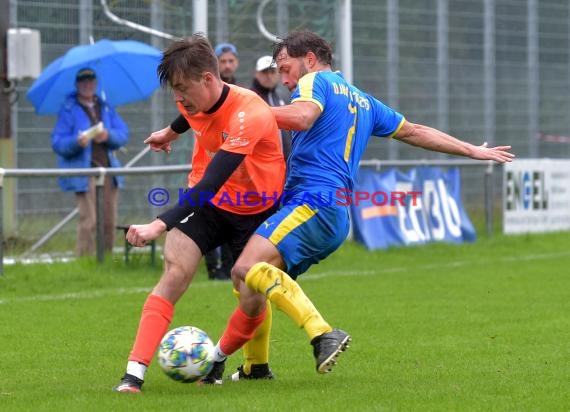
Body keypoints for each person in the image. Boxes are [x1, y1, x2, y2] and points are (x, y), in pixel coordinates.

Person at [143, 30, 514, 382]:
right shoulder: (364, 100)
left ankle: (322, 335)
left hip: (313, 201)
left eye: (285, 68)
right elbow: (415, 131)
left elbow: (303, 117)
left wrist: (243, 116)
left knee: (245, 267)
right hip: (334, 213)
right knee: (250, 283)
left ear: (310, 59)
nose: (285, 80)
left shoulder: (314, 82)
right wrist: (472, 150)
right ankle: (246, 366)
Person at [113, 34, 285, 393]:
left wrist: (158, 225)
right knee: (176, 270)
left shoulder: (249, 112)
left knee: (251, 297)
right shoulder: (196, 103)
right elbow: (196, 115)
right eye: (173, 92)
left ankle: (218, 360)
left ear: (208, 79)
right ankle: (134, 374)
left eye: (182, 89)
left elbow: (211, 181)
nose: (179, 100)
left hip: (258, 211)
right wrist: (169, 130)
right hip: (211, 207)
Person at [51, 68, 129, 257]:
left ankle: (106, 259)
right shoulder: (68, 110)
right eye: (83, 81)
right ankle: (84, 259)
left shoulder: (106, 107)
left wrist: (108, 135)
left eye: (91, 80)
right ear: (77, 84)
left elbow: (123, 134)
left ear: (95, 83)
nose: (87, 84)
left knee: (109, 220)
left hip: (108, 171)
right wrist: (76, 142)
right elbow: (58, 143)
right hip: (85, 173)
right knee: (90, 220)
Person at [204, 42, 241, 280]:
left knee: (231, 213)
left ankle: (227, 267)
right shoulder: (208, 92)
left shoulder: (241, 93)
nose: (227, 65)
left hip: (234, 162)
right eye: (223, 61)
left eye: (230, 61)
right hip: (212, 158)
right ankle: (212, 267)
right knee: (207, 213)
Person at [250, 55, 292, 160]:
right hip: (261, 163)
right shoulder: (249, 98)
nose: (269, 76)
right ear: (256, 74)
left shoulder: (284, 97)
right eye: (264, 72)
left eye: (272, 72)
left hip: (287, 163)